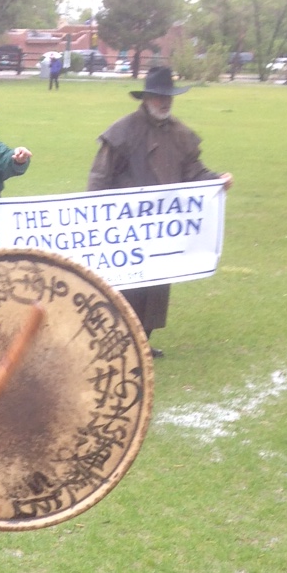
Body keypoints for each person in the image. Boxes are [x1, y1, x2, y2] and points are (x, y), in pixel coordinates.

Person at [87, 65, 234, 356]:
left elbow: (194, 171)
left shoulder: (180, 133)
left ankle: (142, 341)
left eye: (168, 97)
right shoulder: (123, 131)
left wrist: (216, 181)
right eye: (158, 96)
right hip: (126, 224)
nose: (164, 102)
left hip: (162, 227)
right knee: (126, 285)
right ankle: (119, 343)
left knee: (156, 285)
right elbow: (100, 176)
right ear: (146, 98)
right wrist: (97, 215)